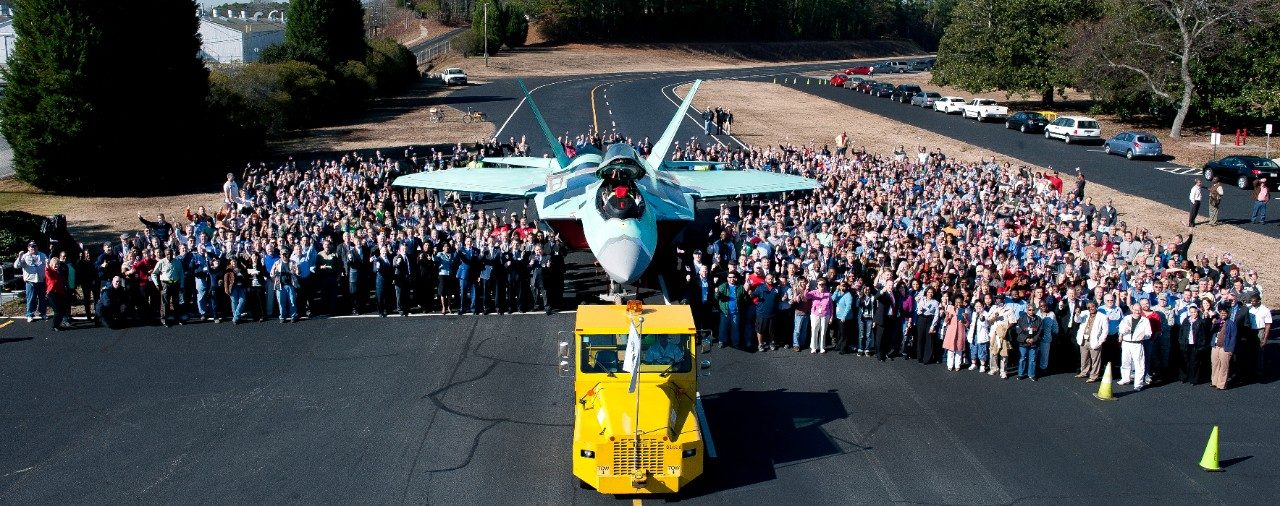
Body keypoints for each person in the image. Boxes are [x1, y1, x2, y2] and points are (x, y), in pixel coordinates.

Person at [14, 241, 48, 322]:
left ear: (37, 247)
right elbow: (16, 266)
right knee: (31, 299)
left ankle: (42, 313)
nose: (33, 248)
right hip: (30, 282)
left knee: (42, 299)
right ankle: (29, 314)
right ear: (28, 248)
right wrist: (19, 256)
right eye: (31, 246)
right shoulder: (24, 256)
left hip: (41, 281)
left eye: (35, 246)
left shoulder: (42, 255)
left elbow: (48, 264)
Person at [1118, 311, 1151, 391]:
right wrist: (1122, 333)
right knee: (1125, 362)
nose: (1137, 312)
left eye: (1139, 310)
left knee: (1139, 364)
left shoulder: (1145, 320)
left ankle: (1138, 384)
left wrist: (1142, 336)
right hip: (1126, 343)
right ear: (1132, 309)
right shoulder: (1126, 318)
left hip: (1137, 344)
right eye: (1135, 310)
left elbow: (1148, 333)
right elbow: (1121, 329)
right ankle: (1125, 379)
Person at [715, 271, 749, 349]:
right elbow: (717, 298)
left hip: (736, 312)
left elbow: (745, 299)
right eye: (730, 277)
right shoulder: (723, 286)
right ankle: (722, 341)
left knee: (735, 328)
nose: (731, 279)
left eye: (733, 277)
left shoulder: (740, 287)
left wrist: (747, 292)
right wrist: (717, 293)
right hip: (725, 312)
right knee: (723, 327)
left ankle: (735, 343)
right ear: (727, 278)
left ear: (736, 278)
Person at [1075, 302, 1108, 382]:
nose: (1091, 308)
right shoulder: (1084, 313)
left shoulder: (1102, 316)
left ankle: (1093, 376)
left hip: (1094, 341)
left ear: (1096, 307)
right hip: (1083, 340)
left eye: (1093, 306)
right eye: (1089, 307)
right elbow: (1077, 320)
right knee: (1084, 358)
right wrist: (1077, 314)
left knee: (1095, 360)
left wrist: (1100, 341)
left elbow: (1105, 330)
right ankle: (1084, 372)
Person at [1178, 305, 1210, 384]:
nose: (1193, 314)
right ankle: (1183, 377)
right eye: (1191, 312)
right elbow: (1181, 332)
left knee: (1194, 362)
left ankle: (1193, 380)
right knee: (1185, 361)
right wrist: (1181, 341)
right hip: (1186, 344)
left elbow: (1204, 333)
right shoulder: (1186, 320)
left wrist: (1201, 345)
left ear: (1197, 312)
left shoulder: (1201, 321)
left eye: (1195, 312)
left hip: (1196, 345)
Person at [752, 274, 783, 352]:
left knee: (772, 330)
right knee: (760, 330)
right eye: (769, 279)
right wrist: (749, 292)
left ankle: (771, 343)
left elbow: (779, 298)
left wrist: (784, 298)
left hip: (773, 313)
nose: (770, 280)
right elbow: (753, 295)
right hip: (761, 313)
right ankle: (760, 344)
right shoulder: (760, 287)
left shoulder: (777, 288)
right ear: (765, 279)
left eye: (772, 279)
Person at [1210, 306, 1237, 390]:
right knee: (1215, 364)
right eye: (1221, 313)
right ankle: (1214, 382)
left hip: (1225, 347)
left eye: (1224, 313)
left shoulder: (1231, 323)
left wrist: (1231, 350)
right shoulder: (1217, 322)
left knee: (1224, 366)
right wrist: (1214, 324)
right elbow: (1212, 331)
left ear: (1228, 314)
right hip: (1215, 345)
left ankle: (1221, 384)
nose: (1223, 314)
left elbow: (1233, 337)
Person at [1015, 306, 1044, 380]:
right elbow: (1018, 331)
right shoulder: (1021, 319)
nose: (1031, 311)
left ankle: (1031, 374)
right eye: (1029, 310)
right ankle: (1021, 374)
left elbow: (1040, 331)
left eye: (1033, 310)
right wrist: (1026, 339)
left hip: (1034, 343)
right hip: (1023, 343)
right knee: (1022, 358)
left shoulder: (1039, 319)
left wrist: (1034, 339)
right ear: (1026, 310)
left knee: (1032, 359)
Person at [806, 278, 833, 354]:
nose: (821, 286)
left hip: (825, 315)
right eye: (820, 284)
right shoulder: (813, 292)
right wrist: (807, 288)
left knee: (823, 331)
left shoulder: (828, 294)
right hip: (815, 314)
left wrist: (831, 316)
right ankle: (813, 347)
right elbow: (806, 296)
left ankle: (822, 347)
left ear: (825, 285)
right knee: (814, 330)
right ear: (817, 285)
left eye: (823, 284)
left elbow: (831, 306)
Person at [1246, 295, 1271, 378]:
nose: (1252, 302)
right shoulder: (1249, 308)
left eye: (1254, 301)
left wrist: (1265, 338)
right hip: (1250, 331)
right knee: (1250, 350)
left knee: (1260, 350)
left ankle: (1259, 370)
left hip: (1260, 330)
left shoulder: (1265, 310)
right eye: (1251, 301)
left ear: (1259, 301)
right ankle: (1250, 370)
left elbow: (1268, 325)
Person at [45, 256, 70, 331]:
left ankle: (58, 325)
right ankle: (54, 326)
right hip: (52, 294)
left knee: (62, 310)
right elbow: (47, 272)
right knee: (57, 310)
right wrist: (47, 265)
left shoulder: (58, 272)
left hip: (59, 294)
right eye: (55, 264)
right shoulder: (50, 271)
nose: (57, 266)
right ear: (51, 264)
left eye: (58, 264)